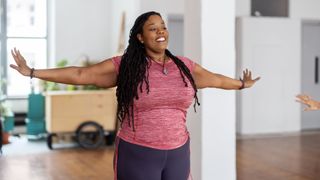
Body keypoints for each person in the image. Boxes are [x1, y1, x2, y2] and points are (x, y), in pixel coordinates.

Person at [10, 11, 260, 180]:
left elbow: (215, 79)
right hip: (138, 152)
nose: (161, 32)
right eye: (153, 29)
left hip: (178, 151)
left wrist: (240, 84)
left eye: (163, 26)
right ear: (140, 37)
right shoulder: (125, 66)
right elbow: (80, 74)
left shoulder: (184, 66)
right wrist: (31, 71)